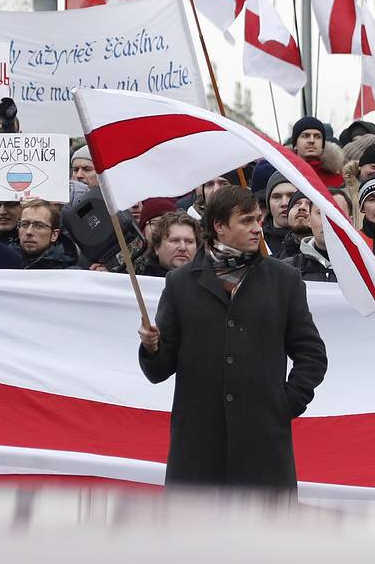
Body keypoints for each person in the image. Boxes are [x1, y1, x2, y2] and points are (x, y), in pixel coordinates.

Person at [138, 185, 327, 490]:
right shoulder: (180, 283)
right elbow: (159, 370)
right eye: (247, 221)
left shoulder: (284, 280)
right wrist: (151, 348)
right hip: (198, 452)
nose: (257, 228)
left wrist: (285, 403)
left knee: (262, 538)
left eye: (258, 220)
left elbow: (312, 355)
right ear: (220, 227)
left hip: (263, 452)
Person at [282, 201, 337, 282]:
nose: (328, 221)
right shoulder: (286, 268)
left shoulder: (361, 266)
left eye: (336, 214)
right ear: (309, 220)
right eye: (320, 213)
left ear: (350, 221)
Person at [16, 199, 75, 269]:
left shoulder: (71, 274)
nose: (29, 232)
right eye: (24, 224)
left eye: (39, 225)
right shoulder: (3, 261)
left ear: (54, 235)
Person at [290, 116, 344, 187]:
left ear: (322, 145)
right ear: (295, 145)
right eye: (305, 136)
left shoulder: (338, 180)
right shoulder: (286, 173)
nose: (312, 140)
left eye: (317, 136)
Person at [141, 211, 199, 276]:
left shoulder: (209, 281)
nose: (183, 248)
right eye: (175, 241)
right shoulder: (141, 284)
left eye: (189, 241)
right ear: (157, 247)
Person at [262, 172, 297, 255]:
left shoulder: (316, 240)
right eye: (276, 197)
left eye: (291, 195)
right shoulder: (258, 240)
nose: (284, 203)